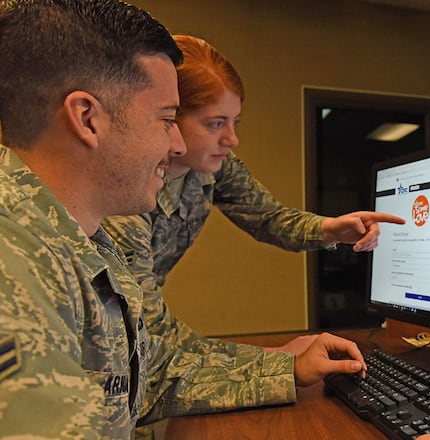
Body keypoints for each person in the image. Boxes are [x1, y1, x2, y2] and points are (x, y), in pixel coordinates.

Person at [0, 1, 367, 438]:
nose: (176, 144)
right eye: (167, 119)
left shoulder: (79, 236)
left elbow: (144, 371)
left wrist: (286, 366)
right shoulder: (17, 260)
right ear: (87, 119)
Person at [101, 34, 406, 431]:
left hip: (143, 337)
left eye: (234, 122)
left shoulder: (211, 168)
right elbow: (154, 344)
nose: (232, 139)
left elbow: (267, 217)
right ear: (170, 117)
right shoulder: (124, 198)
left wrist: (329, 229)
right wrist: (281, 365)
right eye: (215, 124)